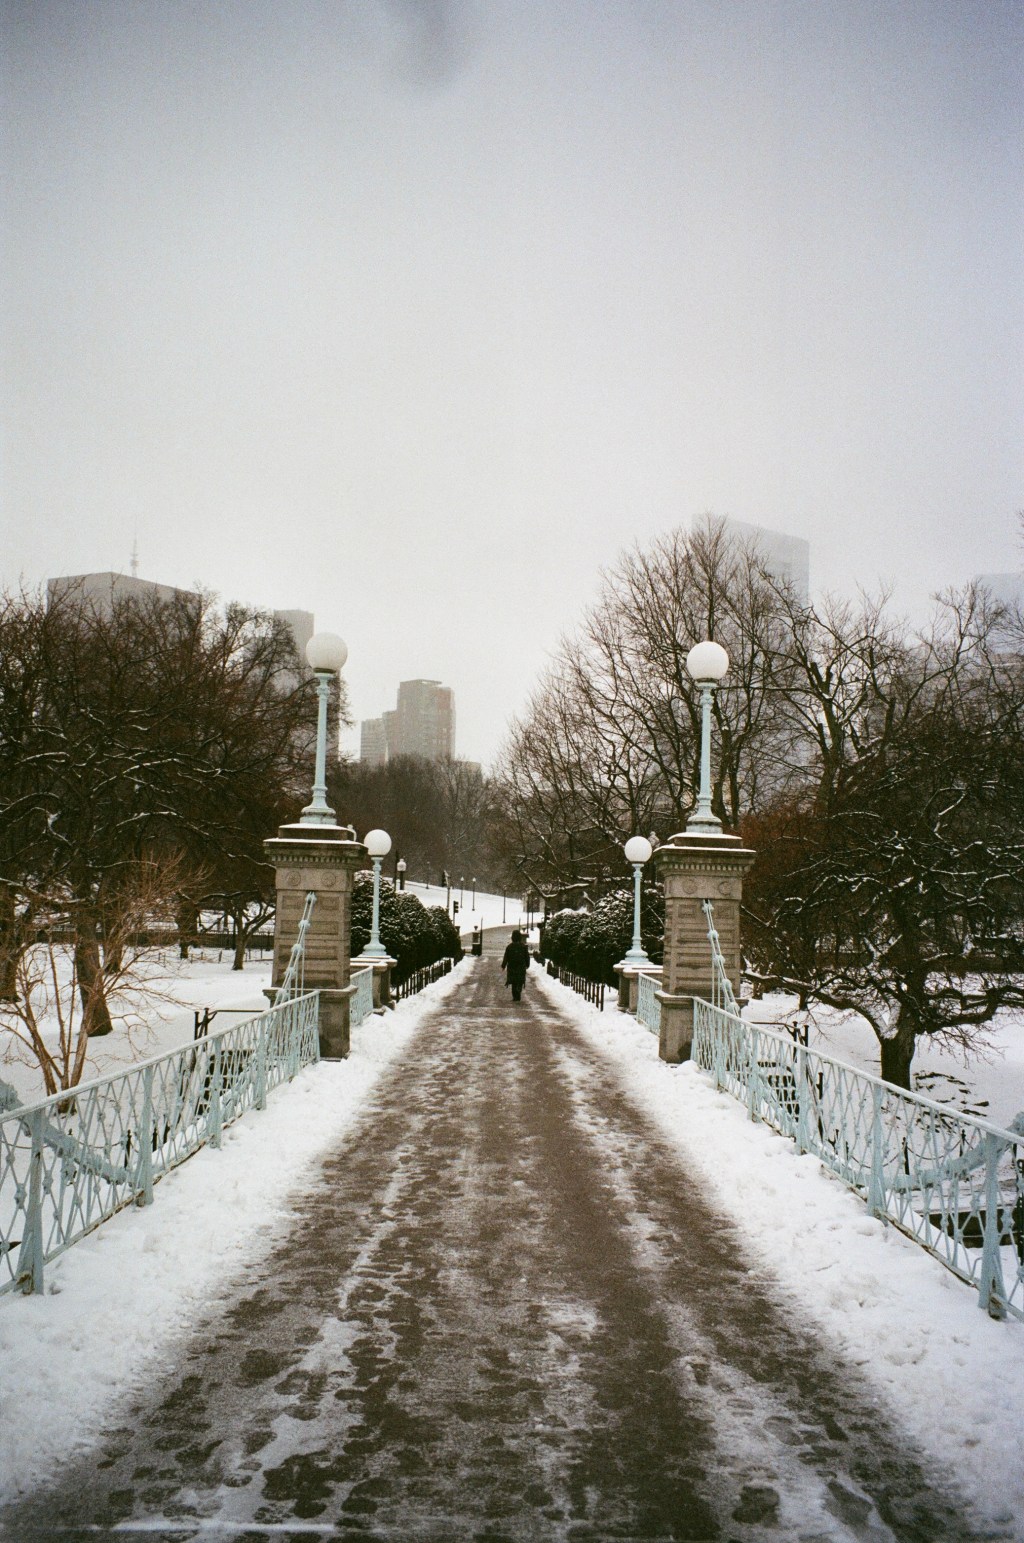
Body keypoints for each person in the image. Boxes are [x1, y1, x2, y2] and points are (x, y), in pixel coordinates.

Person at [501, 929, 531, 1002]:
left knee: (514, 981)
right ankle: (519, 990)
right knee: (520, 980)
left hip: (512, 966)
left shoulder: (509, 947)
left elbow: (506, 957)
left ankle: (515, 996)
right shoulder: (523, 947)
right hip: (521, 966)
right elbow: (527, 957)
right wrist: (527, 964)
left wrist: (503, 965)